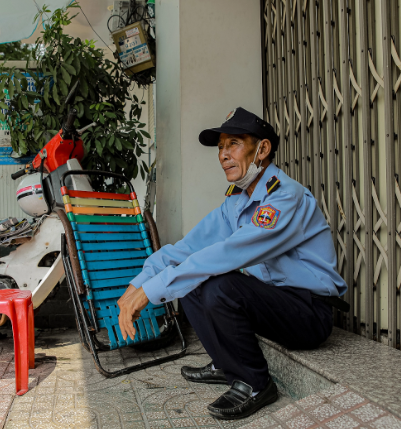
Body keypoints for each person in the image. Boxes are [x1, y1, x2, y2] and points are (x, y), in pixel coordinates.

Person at [117, 107, 347, 420]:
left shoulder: (285, 197)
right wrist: (139, 283)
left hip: (308, 313)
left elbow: (231, 253)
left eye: (234, 144)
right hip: (272, 302)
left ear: (262, 149)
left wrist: (154, 290)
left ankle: (255, 383)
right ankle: (223, 362)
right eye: (221, 147)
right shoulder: (236, 202)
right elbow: (188, 248)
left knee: (220, 283)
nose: (224, 154)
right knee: (194, 279)